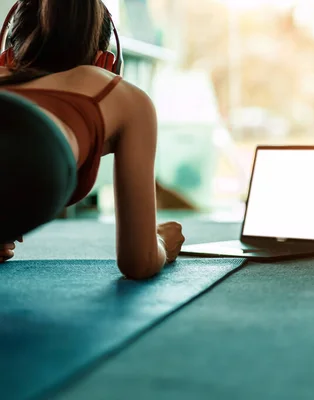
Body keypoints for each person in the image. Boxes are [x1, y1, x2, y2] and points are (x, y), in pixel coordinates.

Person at [0, 0, 185, 279]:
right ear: (107, 63)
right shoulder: (120, 94)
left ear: (6, 58)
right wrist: (161, 241)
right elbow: (139, 262)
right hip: (37, 143)